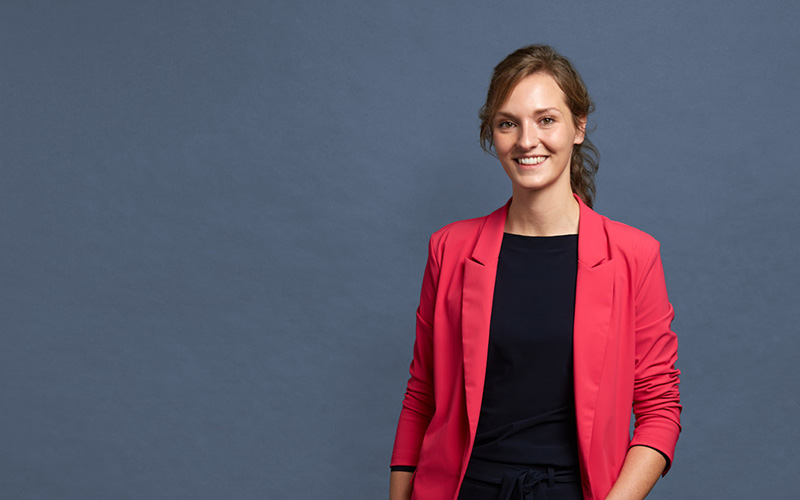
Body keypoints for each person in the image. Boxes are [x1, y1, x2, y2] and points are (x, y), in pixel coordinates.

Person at [389, 45, 681, 500]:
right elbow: (421, 395)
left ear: (578, 126)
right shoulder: (450, 249)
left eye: (546, 120)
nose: (527, 140)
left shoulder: (634, 255)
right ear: (492, 134)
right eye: (508, 123)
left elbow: (660, 408)